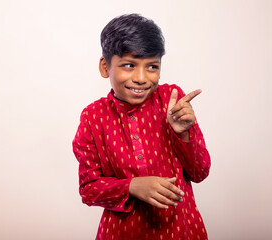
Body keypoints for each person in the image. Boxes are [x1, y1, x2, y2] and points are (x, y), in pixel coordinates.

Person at [72, 14, 211, 240]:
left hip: (180, 230)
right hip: (123, 233)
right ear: (105, 66)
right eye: (129, 65)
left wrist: (183, 133)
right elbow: (89, 189)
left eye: (152, 67)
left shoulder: (171, 100)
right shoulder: (93, 117)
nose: (141, 78)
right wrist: (132, 186)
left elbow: (200, 172)